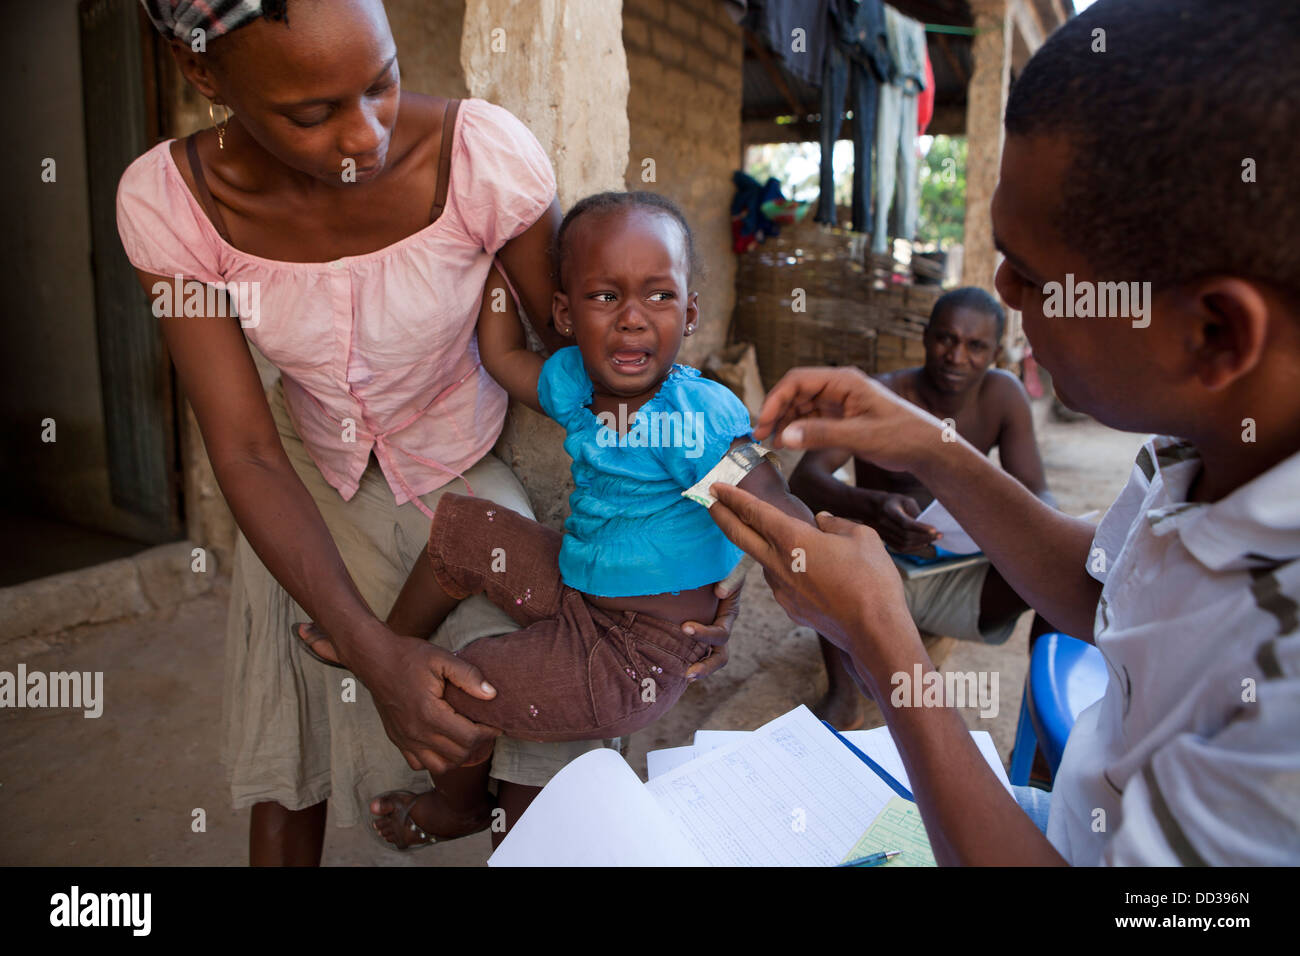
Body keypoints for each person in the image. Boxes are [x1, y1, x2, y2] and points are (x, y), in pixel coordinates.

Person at [115, 1, 738, 864]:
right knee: (290, 739)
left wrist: (717, 542)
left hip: (455, 459)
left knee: (536, 711)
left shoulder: (481, 161)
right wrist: (371, 650)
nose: (365, 135)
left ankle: (470, 813)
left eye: (382, 82)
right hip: (296, 474)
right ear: (202, 72)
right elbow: (247, 452)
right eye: (311, 113)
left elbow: (599, 373)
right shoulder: (171, 203)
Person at [706, 0, 1300, 864]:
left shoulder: (1284, 690)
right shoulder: (1197, 451)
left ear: (1213, 333)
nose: (1004, 294)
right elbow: (1102, 593)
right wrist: (929, 444)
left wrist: (880, 635)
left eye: (1030, 272)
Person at [296, 192, 814, 849]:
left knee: (457, 683)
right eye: (605, 297)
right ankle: (382, 644)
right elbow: (502, 355)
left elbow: (773, 507)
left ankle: (458, 808)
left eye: (658, 296)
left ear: (689, 312)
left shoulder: (697, 418)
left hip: (634, 658)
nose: (632, 319)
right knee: (465, 530)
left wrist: (792, 567)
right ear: (566, 314)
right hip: (578, 595)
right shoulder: (576, 382)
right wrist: (491, 260)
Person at [789, 287, 1054, 729]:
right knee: (820, 545)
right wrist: (874, 506)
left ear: (995, 354)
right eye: (946, 339)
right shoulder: (883, 395)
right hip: (877, 576)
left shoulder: (1002, 396)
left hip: (960, 577)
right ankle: (843, 697)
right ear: (926, 337)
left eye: (975, 346)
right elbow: (805, 479)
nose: (957, 356)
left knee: (1055, 568)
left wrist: (1029, 526)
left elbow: (1038, 492)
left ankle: (1039, 728)